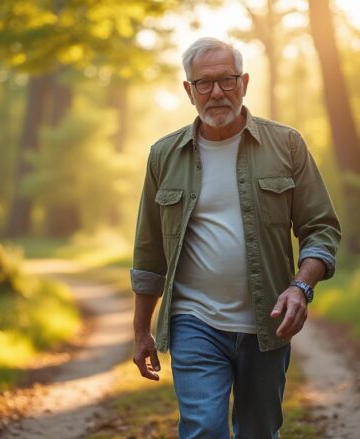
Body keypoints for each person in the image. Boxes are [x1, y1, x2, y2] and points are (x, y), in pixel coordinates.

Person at [130, 37, 341, 438]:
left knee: (259, 431)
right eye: (204, 84)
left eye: (226, 80)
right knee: (204, 428)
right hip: (194, 321)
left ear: (244, 82)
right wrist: (142, 330)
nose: (216, 93)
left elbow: (320, 228)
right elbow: (149, 250)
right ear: (188, 91)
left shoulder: (286, 145)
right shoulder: (164, 155)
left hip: (268, 324)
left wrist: (300, 287)